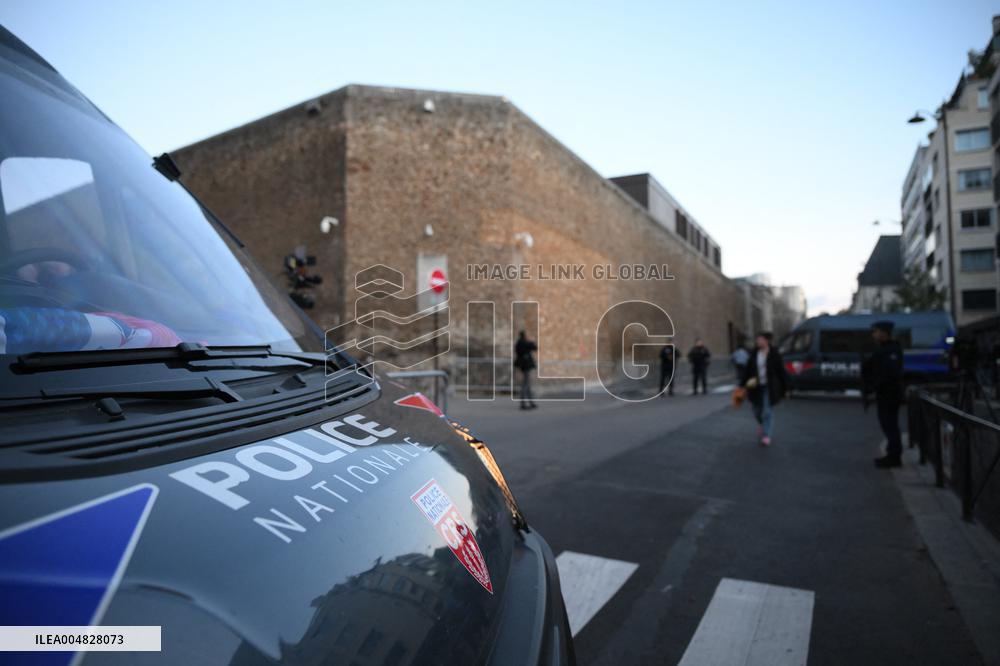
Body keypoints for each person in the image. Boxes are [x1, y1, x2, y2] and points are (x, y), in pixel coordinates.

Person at [862, 321, 904, 468]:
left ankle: (894, 457)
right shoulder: (884, 349)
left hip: (890, 394)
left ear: (884, 333)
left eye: (876, 331)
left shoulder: (891, 350)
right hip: (885, 394)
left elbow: (889, 374)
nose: (874, 334)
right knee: (887, 425)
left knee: (890, 425)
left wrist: (875, 385)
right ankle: (892, 455)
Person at [740, 332, 788, 446]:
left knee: (767, 411)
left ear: (766, 341)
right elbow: (747, 370)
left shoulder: (774, 353)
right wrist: (742, 385)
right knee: (756, 410)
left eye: (760, 340)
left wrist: (786, 387)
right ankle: (762, 424)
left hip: (769, 386)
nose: (758, 342)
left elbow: (781, 371)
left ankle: (766, 435)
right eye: (757, 340)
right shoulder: (754, 353)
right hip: (756, 386)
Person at [514, 330, 538, 410]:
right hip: (526, 366)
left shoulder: (518, 343)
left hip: (523, 366)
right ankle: (524, 403)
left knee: (527, 385)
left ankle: (530, 402)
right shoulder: (524, 343)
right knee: (525, 385)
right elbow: (534, 347)